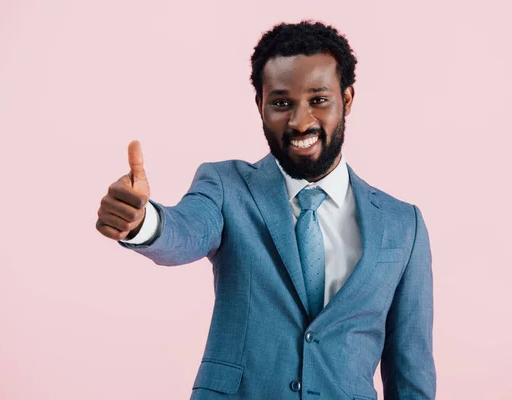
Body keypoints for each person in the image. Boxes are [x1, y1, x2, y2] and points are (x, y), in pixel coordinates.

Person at [96, 20, 436, 400]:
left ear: (348, 99)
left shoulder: (403, 225)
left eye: (318, 99)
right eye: (281, 103)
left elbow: (411, 369)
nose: (299, 121)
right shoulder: (226, 187)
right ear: (260, 105)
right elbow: (185, 231)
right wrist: (142, 223)